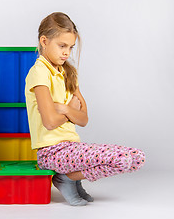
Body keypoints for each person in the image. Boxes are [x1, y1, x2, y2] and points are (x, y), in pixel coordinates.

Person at [25, 12, 145, 206]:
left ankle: (69, 177)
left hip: (72, 147)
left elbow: (83, 119)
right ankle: (68, 178)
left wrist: (64, 108)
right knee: (122, 159)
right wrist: (71, 111)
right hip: (51, 152)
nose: (66, 52)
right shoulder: (39, 72)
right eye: (62, 46)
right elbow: (49, 122)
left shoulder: (68, 73)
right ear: (44, 41)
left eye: (70, 47)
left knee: (137, 158)